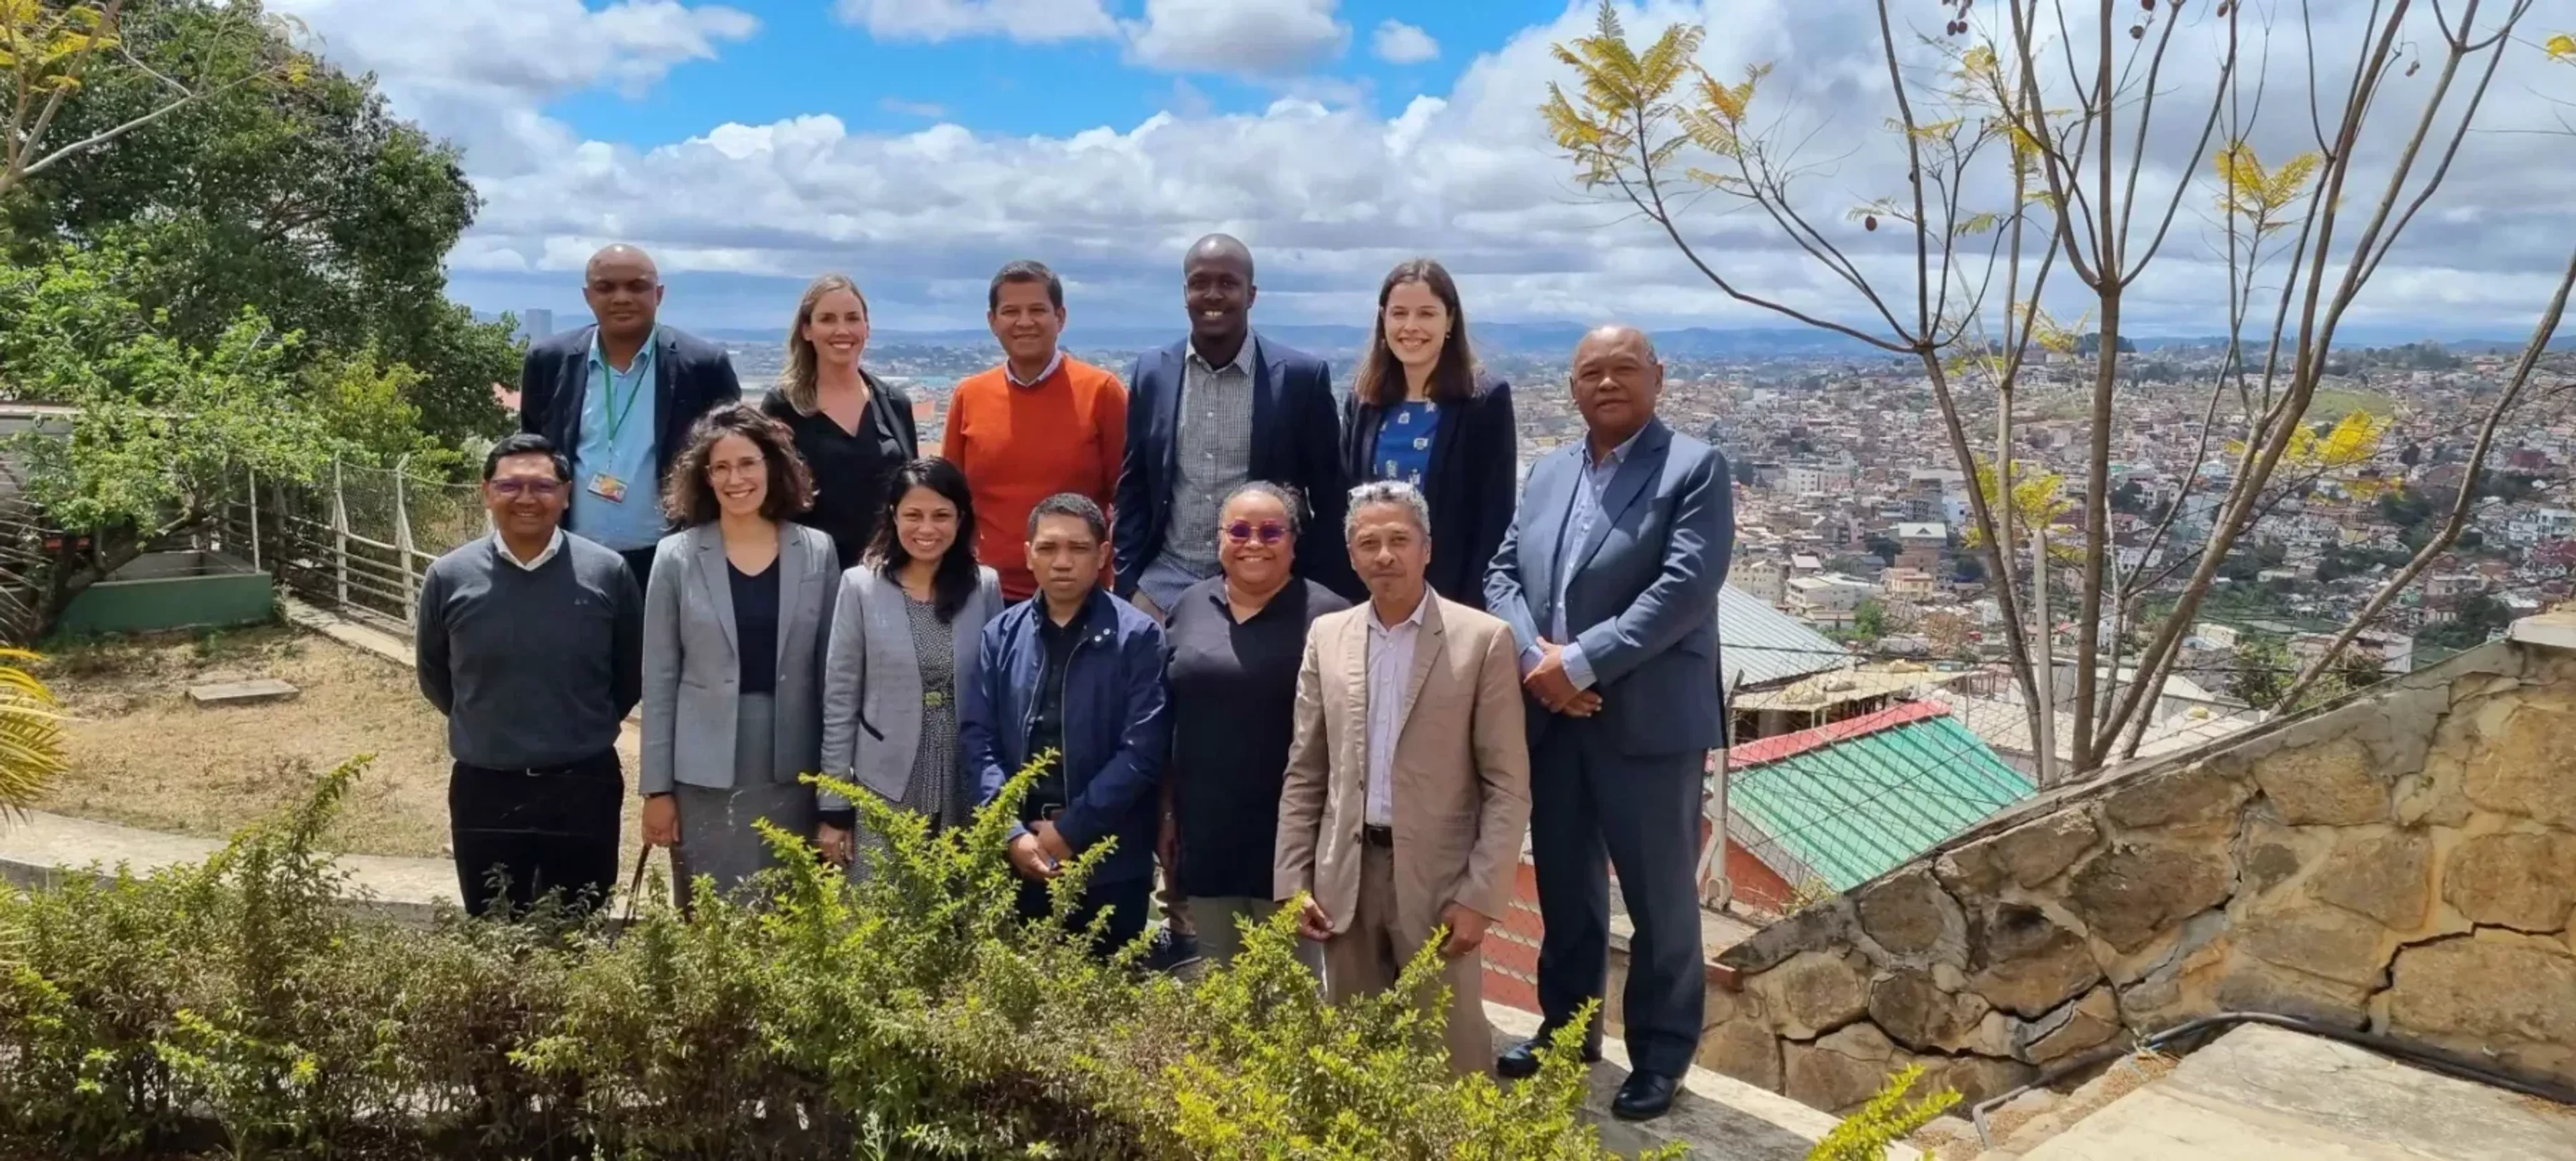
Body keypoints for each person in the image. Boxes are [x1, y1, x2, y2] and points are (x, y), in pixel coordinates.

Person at [1485, 325, 1733, 1121]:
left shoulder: (1693, 468)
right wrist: (1536, 661)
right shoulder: (1551, 470)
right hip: (1554, 716)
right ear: (1571, 387)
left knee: (1661, 899)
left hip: (1649, 720)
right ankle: (1567, 1031)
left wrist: (1579, 662)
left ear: (1657, 376)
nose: (1608, 382)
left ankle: (1661, 1056)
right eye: (1591, 371)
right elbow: (1501, 572)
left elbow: (1684, 589)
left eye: (1625, 367)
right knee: (1567, 886)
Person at [1275, 481, 1530, 1075]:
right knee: (1352, 1054)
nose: (1384, 555)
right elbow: (1306, 769)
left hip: (1441, 881)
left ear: (1427, 549)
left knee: (1449, 1055)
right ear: (1352, 554)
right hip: (1347, 875)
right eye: (1369, 543)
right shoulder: (1328, 636)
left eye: (1399, 540)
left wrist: (1481, 896)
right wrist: (1293, 878)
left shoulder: (1482, 640)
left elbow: (1507, 783)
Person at [416, 434, 643, 919]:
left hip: (584, 782)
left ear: (566, 495)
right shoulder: (449, 577)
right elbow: (436, 676)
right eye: (510, 485)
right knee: (494, 926)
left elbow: (630, 674)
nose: (525, 498)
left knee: (579, 924)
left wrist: (578, 726)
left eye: (542, 486)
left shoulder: (608, 573)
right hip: (485, 785)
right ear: (486, 492)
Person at [636, 405, 841, 910]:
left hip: (795, 765)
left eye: (747, 463)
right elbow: (659, 680)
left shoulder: (818, 552)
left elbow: (834, 680)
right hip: (701, 770)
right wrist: (656, 790)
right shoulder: (676, 557)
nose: (736, 479)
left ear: (772, 466)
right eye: (721, 468)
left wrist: (835, 789)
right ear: (704, 478)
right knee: (708, 913)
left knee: (788, 914)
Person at [961, 493, 1168, 956]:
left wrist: (1071, 831)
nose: (1062, 562)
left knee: (1108, 1003)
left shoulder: (1138, 636)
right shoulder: (1001, 634)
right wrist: (1012, 833)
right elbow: (979, 741)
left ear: (1102, 555)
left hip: (1110, 859)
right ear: (1028, 553)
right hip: (1019, 855)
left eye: (1077, 549)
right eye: (1049, 548)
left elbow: (1143, 751)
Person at [1115, 233, 1357, 617]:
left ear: (1251, 294)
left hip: (1268, 590)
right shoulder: (1153, 373)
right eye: (1200, 283)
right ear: (1185, 293)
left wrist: (1313, 586)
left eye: (1228, 283)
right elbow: (1135, 486)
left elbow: (1329, 494)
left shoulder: (1298, 379)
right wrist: (1128, 584)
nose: (1213, 294)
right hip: (1164, 587)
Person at [1161, 481, 1348, 972]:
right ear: (1219, 538)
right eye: (1240, 530)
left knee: (1294, 990)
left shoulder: (1330, 616)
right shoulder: (1189, 606)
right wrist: (1166, 816)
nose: (1254, 543)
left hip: (1292, 845)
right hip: (1206, 838)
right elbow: (1165, 715)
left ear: (1293, 540)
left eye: (1271, 531)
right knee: (1222, 982)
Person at [519, 244, 745, 593]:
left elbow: (730, 455)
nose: (621, 297)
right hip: (572, 555)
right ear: (587, 296)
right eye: (606, 287)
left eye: (636, 286)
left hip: (673, 558)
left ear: (659, 294)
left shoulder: (702, 365)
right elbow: (534, 453)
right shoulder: (548, 361)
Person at [815, 458, 1006, 861]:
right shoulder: (861, 586)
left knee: (957, 904)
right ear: (893, 516)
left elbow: (995, 693)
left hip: (963, 774)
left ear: (961, 519)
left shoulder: (983, 586)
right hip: (884, 774)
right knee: (884, 905)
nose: (926, 529)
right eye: (913, 515)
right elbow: (840, 699)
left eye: (941, 516)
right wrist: (833, 802)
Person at [941, 260, 1128, 601]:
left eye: (1037, 310)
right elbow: (948, 498)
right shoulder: (969, 396)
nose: (1024, 322)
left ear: (1060, 318)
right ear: (992, 321)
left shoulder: (1102, 392)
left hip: (1078, 597)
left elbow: (1128, 500)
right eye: (1011, 311)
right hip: (984, 595)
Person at [1340, 258, 1517, 610]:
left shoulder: (1483, 399)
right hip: (1372, 594)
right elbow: (1346, 504)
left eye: (1426, 314)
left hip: (1452, 596)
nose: (1410, 327)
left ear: (1449, 320)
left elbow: (1494, 516)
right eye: (1399, 313)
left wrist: (1471, 609)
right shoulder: (1363, 400)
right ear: (1383, 319)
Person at [761, 273, 918, 569]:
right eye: (828, 319)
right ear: (807, 330)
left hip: (888, 573)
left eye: (852, 318)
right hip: (811, 575)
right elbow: (768, 501)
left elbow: (912, 494)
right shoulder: (783, 406)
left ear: (867, 328)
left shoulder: (895, 404)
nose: (842, 330)